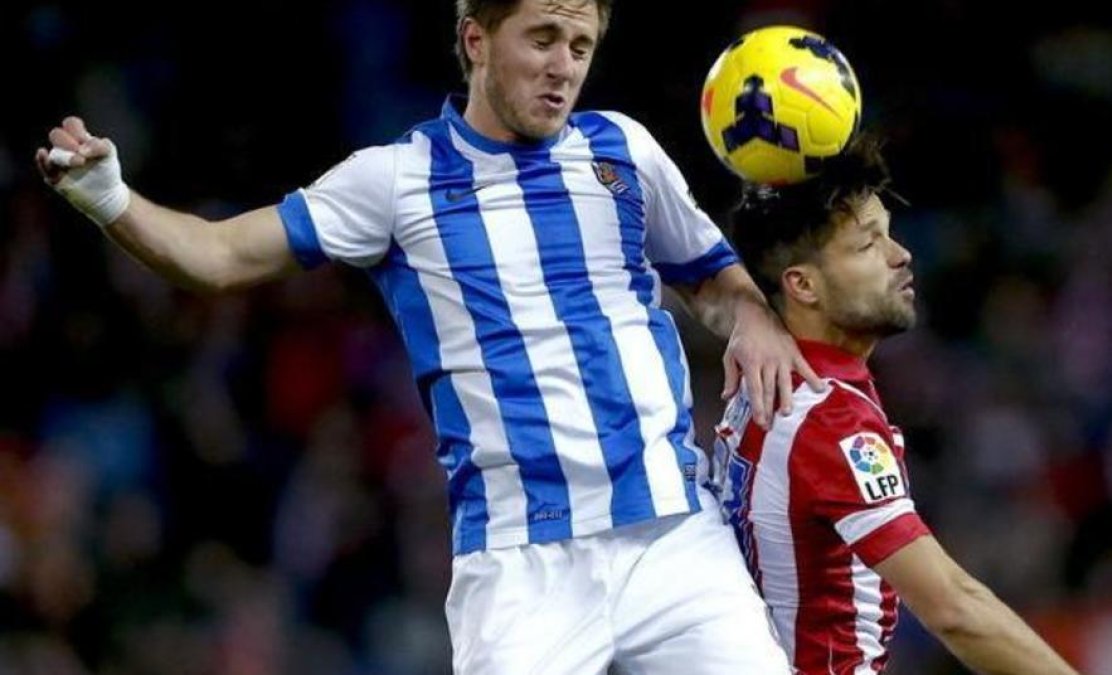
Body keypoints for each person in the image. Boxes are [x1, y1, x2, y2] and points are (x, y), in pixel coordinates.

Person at [36, 0, 811, 672]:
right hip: (520, 563)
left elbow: (712, 276)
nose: (563, 67)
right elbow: (220, 254)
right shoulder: (396, 179)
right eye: (541, 38)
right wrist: (111, 198)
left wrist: (752, 319)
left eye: (580, 48)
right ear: (476, 40)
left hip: (674, 537)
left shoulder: (622, 149)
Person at [715, 136, 1079, 674]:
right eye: (867, 245)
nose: (900, 254)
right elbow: (955, 608)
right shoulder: (828, 417)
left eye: (888, 235)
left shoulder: (768, 375)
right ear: (803, 285)